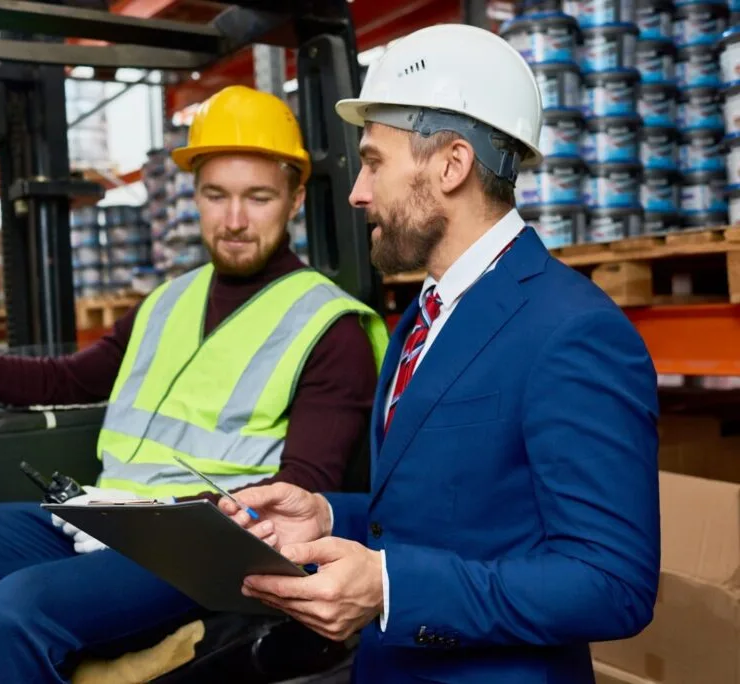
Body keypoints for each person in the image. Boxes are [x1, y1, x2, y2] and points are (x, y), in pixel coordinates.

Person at [0, 84, 390, 683]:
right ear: (195, 196)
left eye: (257, 197)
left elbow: (300, 496)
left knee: (15, 614)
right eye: (216, 195)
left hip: (200, 554)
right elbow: (66, 378)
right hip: (96, 520)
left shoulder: (328, 326)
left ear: (295, 199)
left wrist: (163, 519)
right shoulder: (169, 300)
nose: (234, 220)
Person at [220, 25, 661, 684]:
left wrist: (393, 591)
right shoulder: (425, 317)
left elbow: (611, 583)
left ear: (451, 165)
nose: (357, 193)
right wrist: (330, 513)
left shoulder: (572, 332)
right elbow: (453, 513)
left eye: (374, 162)